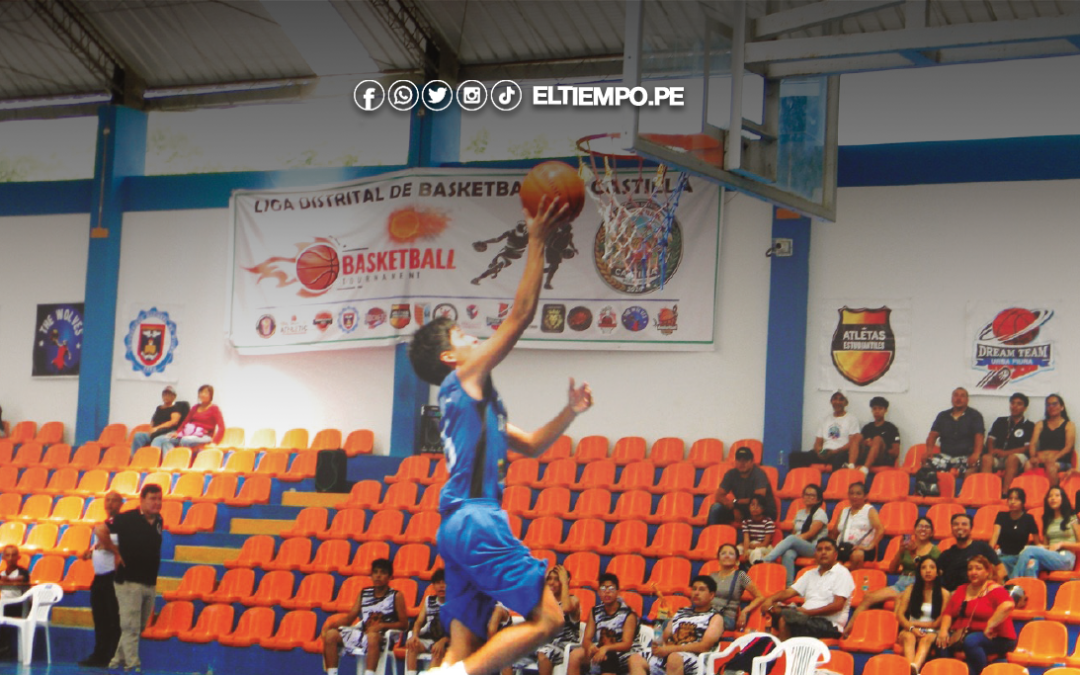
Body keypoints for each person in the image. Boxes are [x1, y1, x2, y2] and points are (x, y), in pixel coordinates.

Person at [407, 195, 593, 675]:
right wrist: (536, 240)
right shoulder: (462, 381)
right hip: (476, 521)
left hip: (454, 528)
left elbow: (531, 444)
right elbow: (519, 317)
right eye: (464, 337)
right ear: (451, 358)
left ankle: (451, 669)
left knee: (461, 646)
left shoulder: (474, 405)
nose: (474, 338)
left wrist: (569, 413)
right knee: (549, 620)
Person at [98, 483, 164, 672]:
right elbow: (100, 530)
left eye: (159, 499)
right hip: (129, 582)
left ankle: (116, 660)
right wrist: (114, 551)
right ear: (141, 500)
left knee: (138, 626)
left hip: (149, 582)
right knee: (131, 627)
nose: (157, 503)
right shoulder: (125, 518)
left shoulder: (159, 520)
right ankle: (132, 664)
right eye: (153, 499)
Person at [844, 515, 939, 638]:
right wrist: (900, 550)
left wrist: (913, 553)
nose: (923, 529)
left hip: (917, 585)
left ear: (931, 532)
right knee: (868, 597)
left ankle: (892, 637)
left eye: (927, 527)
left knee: (899, 601)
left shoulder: (934, 550)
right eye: (920, 526)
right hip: (901, 582)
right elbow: (892, 569)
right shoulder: (907, 546)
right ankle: (848, 631)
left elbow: (927, 572)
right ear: (914, 530)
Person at [322, 558, 409, 675]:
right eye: (375, 572)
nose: (378, 576)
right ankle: (332, 673)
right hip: (363, 634)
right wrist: (331, 626)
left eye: (382, 573)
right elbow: (350, 617)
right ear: (371, 575)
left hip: (384, 637)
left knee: (372, 636)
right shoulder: (364, 593)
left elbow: (404, 624)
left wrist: (382, 626)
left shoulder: (396, 596)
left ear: (390, 577)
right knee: (331, 635)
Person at [761, 538, 855, 640]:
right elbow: (789, 592)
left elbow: (838, 605)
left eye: (827, 549)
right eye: (819, 549)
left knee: (786, 619)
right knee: (772, 609)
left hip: (829, 625)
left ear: (835, 554)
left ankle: (782, 652)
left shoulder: (842, 573)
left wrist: (808, 612)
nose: (823, 552)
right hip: (805, 618)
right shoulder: (810, 574)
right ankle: (782, 649)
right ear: (815, 555)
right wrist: (769, 600)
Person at [936, 556, 1016, 675]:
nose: (973, 572)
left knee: (972, 641)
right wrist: (943, 631)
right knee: (940, 641)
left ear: (987, 572)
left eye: (978, 569)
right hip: (963, 633)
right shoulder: (962, 589)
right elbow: (948, 613)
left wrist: (990, 624)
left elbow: (1008, 605)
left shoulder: (994, 589)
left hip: (997, 637)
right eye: (970, 569)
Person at [628, 576, 722, 675]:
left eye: (701, 589)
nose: (696, 593)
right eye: (694, 589)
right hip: (670, 654)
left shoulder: (715, 617)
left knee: (674, 658)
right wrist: (658, 624)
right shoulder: (681, 612)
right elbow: (661, 638)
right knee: (635, 658)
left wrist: (670, 649)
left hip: (696, 660)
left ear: (711, 595)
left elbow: (704, 647)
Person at [79, 491, 124, 667]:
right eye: (108, 500)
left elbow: (120, 547)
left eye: (114, 501)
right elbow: (99, 546)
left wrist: (109, 546)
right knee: (100, 618)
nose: (110, 504)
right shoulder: (103, 526)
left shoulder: (122, 525)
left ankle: (112, 655)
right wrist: (90, 553)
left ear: (121, 504)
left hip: (113, 577)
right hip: (99, 577)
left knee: (113, 618)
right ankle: (99, 654)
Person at [565, 573, 638, 675]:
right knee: (575, 655)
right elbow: (586, 639)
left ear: (618, 591)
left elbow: (626, 644)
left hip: (623, 654)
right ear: (598, 591)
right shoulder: (595, 611)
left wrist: (606, 648)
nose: (607, 592)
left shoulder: (628, 614)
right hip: (600, 650)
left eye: (611, 588)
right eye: (603, 588)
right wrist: (590, 647)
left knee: (607, 658)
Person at [763, 484, 829, 585]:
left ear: (818, 499)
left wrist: (793, 540)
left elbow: (810, 534)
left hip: (814, 547)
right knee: (788, 554)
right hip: (799, 545)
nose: (808, 497)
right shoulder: (799, 513)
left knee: (791, 539)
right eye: (806, 494)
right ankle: (789, 585)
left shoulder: (820, 513)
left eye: (812, 495)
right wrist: (792, 541)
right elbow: (794, 531)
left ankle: (767, 559)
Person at [896, 557, 950, 675]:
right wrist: (911, 628)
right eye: (924, 568)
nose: (928, 571)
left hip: (931, 631)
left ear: (937, 572)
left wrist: (914, 624)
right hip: (909, 629)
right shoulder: (910, 589)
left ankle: (914, 667)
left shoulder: (944, 594)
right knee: (909, 637)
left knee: (928, 638)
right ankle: (912, 670)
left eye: (932, 567)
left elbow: (937, 623)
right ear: (919, 572)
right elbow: (899, 615)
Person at [1012, 485, 1080, 577]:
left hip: (1066, 558)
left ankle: (1011, 583)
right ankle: (1030, 590)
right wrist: (1042, 547)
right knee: (1032, 564)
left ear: (1063, 498)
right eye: (1050, 496)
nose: (1053, 498)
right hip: (1050, 555)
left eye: (1056, 495)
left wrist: (1062, 544)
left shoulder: (1073, 517)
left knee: (1029, 550)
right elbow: (1047, 547)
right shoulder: (1047, 520)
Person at [789, 391, 861, 470]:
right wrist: (819, 452)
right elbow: (818, 442)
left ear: (846, 403)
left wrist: (835, 451)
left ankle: (836, 482)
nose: (837, 402)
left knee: (838, 460)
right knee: (795, 457)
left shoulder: (852, 419)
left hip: (840, 452)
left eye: (841, 399)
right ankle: (800, 481)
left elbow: (852, 443)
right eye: (835, 399)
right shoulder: (825, 420)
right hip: (826, 452)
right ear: (831, 401)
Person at [924, 388, 985, 477]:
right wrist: (928, 450)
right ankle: (929, 490)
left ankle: (965, 490)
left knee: (974, 466)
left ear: (967, 400)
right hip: (945, 455)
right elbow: (932, 435)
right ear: (952, 399)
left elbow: (979, 436)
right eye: (956, 395)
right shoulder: (942, 416)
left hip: (966, 456)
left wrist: (976, 454)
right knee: (926, 466)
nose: (958, 398)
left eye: (962, 396)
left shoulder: (975, 416)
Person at [936, 513, 1006, 591]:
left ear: (971, 528)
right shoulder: (946, 555)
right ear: (952, 528)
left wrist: (987, 588)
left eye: (964, 524)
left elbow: (1002, 570)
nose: (960, 527)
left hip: (979, 594)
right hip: (953, 596)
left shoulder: (982, 548)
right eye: (956, 524)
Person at [980, 393, 1034, 493]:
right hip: (998, 456)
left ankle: (1005, 493)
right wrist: (991, 451)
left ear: (1025, 408)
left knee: (1012, 459)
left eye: (1019, 404)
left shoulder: (1029, 425)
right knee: (986, 458)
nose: (1015, 406)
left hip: (1018, 457)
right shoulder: (1000, 421)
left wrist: (1005, 453)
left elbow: (1026, 448)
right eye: (1013, 403)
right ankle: (986, 492)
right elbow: (991, 439)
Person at [709, 446, 775, 525]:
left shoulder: (759, 474)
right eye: (739, 460)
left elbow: (757, 500)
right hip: (741, 507)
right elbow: (718, 496)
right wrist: (734, 507)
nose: (741, 463)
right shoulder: (731, 474)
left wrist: (735, 503)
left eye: (745, 460)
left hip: (762, 509)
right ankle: (712, 535)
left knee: (755, 510)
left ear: (752, 462)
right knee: (716, 508)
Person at [709, 544, 766, 633]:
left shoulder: (741, 575)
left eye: (731, 554)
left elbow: (760, 597)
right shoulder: (712, 576)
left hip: (725, 618)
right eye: (723, 553)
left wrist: (745, 611)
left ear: (737, 560)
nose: (727, 556)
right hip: (708, 615)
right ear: (718, 559)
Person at [534, 566, 581, 675]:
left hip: (564, 648)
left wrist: (565, 582)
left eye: (557, 579)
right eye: (549, 579)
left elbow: (565, 609)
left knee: (544, 652)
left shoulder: (573, 600)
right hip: (543, 644)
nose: (552, 582)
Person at [152, 384, 224, 453]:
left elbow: (221, 427)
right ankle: (169, 463)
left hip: (204, 436)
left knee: (185, 440)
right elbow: (185, 422)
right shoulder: (195, 407)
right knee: (164, 441)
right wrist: (178, 432)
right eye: (201, 392)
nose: (203, 394)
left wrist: (214, 443)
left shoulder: (214, 408)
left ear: (211, 395)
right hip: (188, 434)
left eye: (206, 393)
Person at [828, 482, 884, 570]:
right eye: (852, 493)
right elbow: (834, 533)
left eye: (858, 494)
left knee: (857, 555)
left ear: (865, 496)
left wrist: (870, 546)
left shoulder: (869, 510)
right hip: (843, 547)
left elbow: (880, 530)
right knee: (824, 554)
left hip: (862, 549)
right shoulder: (843, 511)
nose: (854, 496)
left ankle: (853, 581)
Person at [1027, 393, 1076, 487]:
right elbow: (1032, 444)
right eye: (1048, 405)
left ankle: (1053, 492)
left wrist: (1054, 458)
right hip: (1042, 459)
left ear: (1062, 407)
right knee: (1028, 465)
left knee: (1050, 464)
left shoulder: (1069, 425)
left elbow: (1068, 447)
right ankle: (1033, 494)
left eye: (1054, 404)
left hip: (1061, 461)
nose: (1051, 407)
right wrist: (1033, 456)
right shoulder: (1040, 424)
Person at [406, 569, 448, 675]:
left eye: (445, 583)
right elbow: (419, 622)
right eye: (438, 583)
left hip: (448, 641)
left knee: (437, 650)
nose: (441, 586)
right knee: (412, 645)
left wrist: (443, 641)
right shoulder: (429, 600)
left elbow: (459, 630)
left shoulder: (455, 603)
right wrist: (414, 635)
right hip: (429, 639)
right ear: (433, 586)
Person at [989, 487, 1039, 572]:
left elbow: (1037, 542)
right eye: (1010, 499)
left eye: (1016, 499)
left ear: (1022, 502)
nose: (1012, 502)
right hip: (1003, 554)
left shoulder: (1028, 518)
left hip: (1021, 555)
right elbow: (995, 536)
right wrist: (988, 554)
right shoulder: (1001, 516)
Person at [130, 386, 190, 452]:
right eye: (164, 394)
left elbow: (174, 421)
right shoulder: (159, 408)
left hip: (169, 432)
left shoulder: (176, 407)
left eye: (169, 394)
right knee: (138, 435)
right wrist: (151, 428)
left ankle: (153, 460)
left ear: (174, 397)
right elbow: (153, 420)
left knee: (157, 440)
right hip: (156, 432)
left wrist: (157, 428)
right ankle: (135, 458)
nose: (166, 396)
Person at [855, 396, 901, 470]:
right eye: (874, 409)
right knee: (857, 436)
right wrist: (866, 443)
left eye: (880, 409)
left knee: (877, 439)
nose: (877, 411)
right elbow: (860, 446)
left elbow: (896, 452)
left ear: (885, 410)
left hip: (883, 458)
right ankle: (851, 466)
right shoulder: (867, 427)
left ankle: (865, 470)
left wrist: (876, 446)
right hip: (866, 456)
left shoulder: (891, 428)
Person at [0, 545, 30, 658]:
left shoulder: (23, 572)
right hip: (3, 606)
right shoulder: (1, 573)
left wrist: (8, 581)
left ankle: (4, 650)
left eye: (13, 555)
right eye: (7, 555)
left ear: (19, 557)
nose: (10, 558)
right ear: (3, 557)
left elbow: (21, 580)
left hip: (18, 607)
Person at [739, 496, 775, 565]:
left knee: (756, 552)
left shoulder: (768, 522)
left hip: (764, 547)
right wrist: (746, 550)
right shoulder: (746, 522)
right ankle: (735, 572)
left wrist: (753, 546)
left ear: (763, 508)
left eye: (758, 505)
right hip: (751, 544)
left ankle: (754, 571)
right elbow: (746, 539)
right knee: (736, 550)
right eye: (752, 505)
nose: (755, 508)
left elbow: (765, 543)